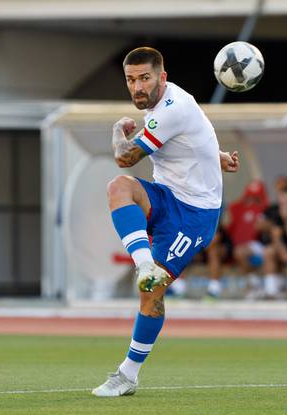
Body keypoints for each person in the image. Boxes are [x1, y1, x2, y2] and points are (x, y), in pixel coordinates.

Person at [92, 47, 239, 397]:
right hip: (166, 194)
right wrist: (216, 156)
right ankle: (145, 266)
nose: (137, 87)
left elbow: (125, 156)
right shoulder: (168, 108)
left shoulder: (172, 108)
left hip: (194, 215)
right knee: (118, 189)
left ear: (163, 77)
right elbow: (197, 132)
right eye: (131, 80)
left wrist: (118, 131)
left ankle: (128, 374)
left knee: (151, 296)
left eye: (145, 78)